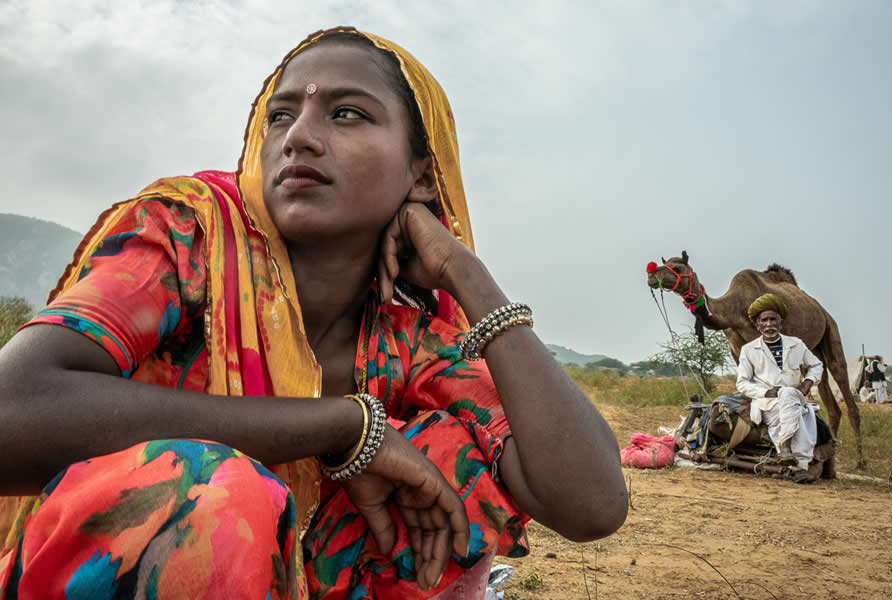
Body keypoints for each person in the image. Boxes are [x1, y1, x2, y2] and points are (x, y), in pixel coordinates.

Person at [0, 27, 627, 599]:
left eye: (347, 113)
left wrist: (467, 274)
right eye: (280, 116)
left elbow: (591, 502)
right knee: (217, 492)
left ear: (422, 174)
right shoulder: (188, 239)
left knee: (446, 456)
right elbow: (12, 411)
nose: (298, 136)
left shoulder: (403, 342)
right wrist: (342, 427)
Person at [736, 293, 824, 484]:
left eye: (773, 319)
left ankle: (785, 448)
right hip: (767, 403)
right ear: (757, 325)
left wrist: (808, 382)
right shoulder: (749, 350)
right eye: (764, 320)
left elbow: (816, 365)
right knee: (792, 418)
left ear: (780, 323)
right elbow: (742, 383)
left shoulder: (796, 344)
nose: (769, 324)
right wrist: (765, 392)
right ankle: (800, 467)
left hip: (795, 398)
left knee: (788, 393)